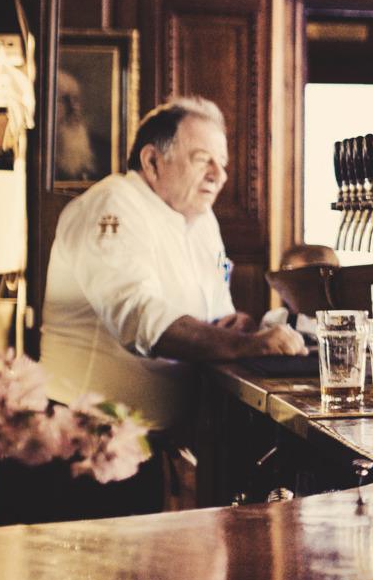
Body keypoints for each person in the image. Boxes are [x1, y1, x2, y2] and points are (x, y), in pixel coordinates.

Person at [42, 96, 304, 433]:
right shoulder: (113, 202)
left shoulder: (202, 219)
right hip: (90, 440)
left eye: (222, 163)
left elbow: (217, 318)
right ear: (152, 161)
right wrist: (245, 345)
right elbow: (138, 317)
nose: (218, 175)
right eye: (202, 160)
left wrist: (235, 326)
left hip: (164, 442)